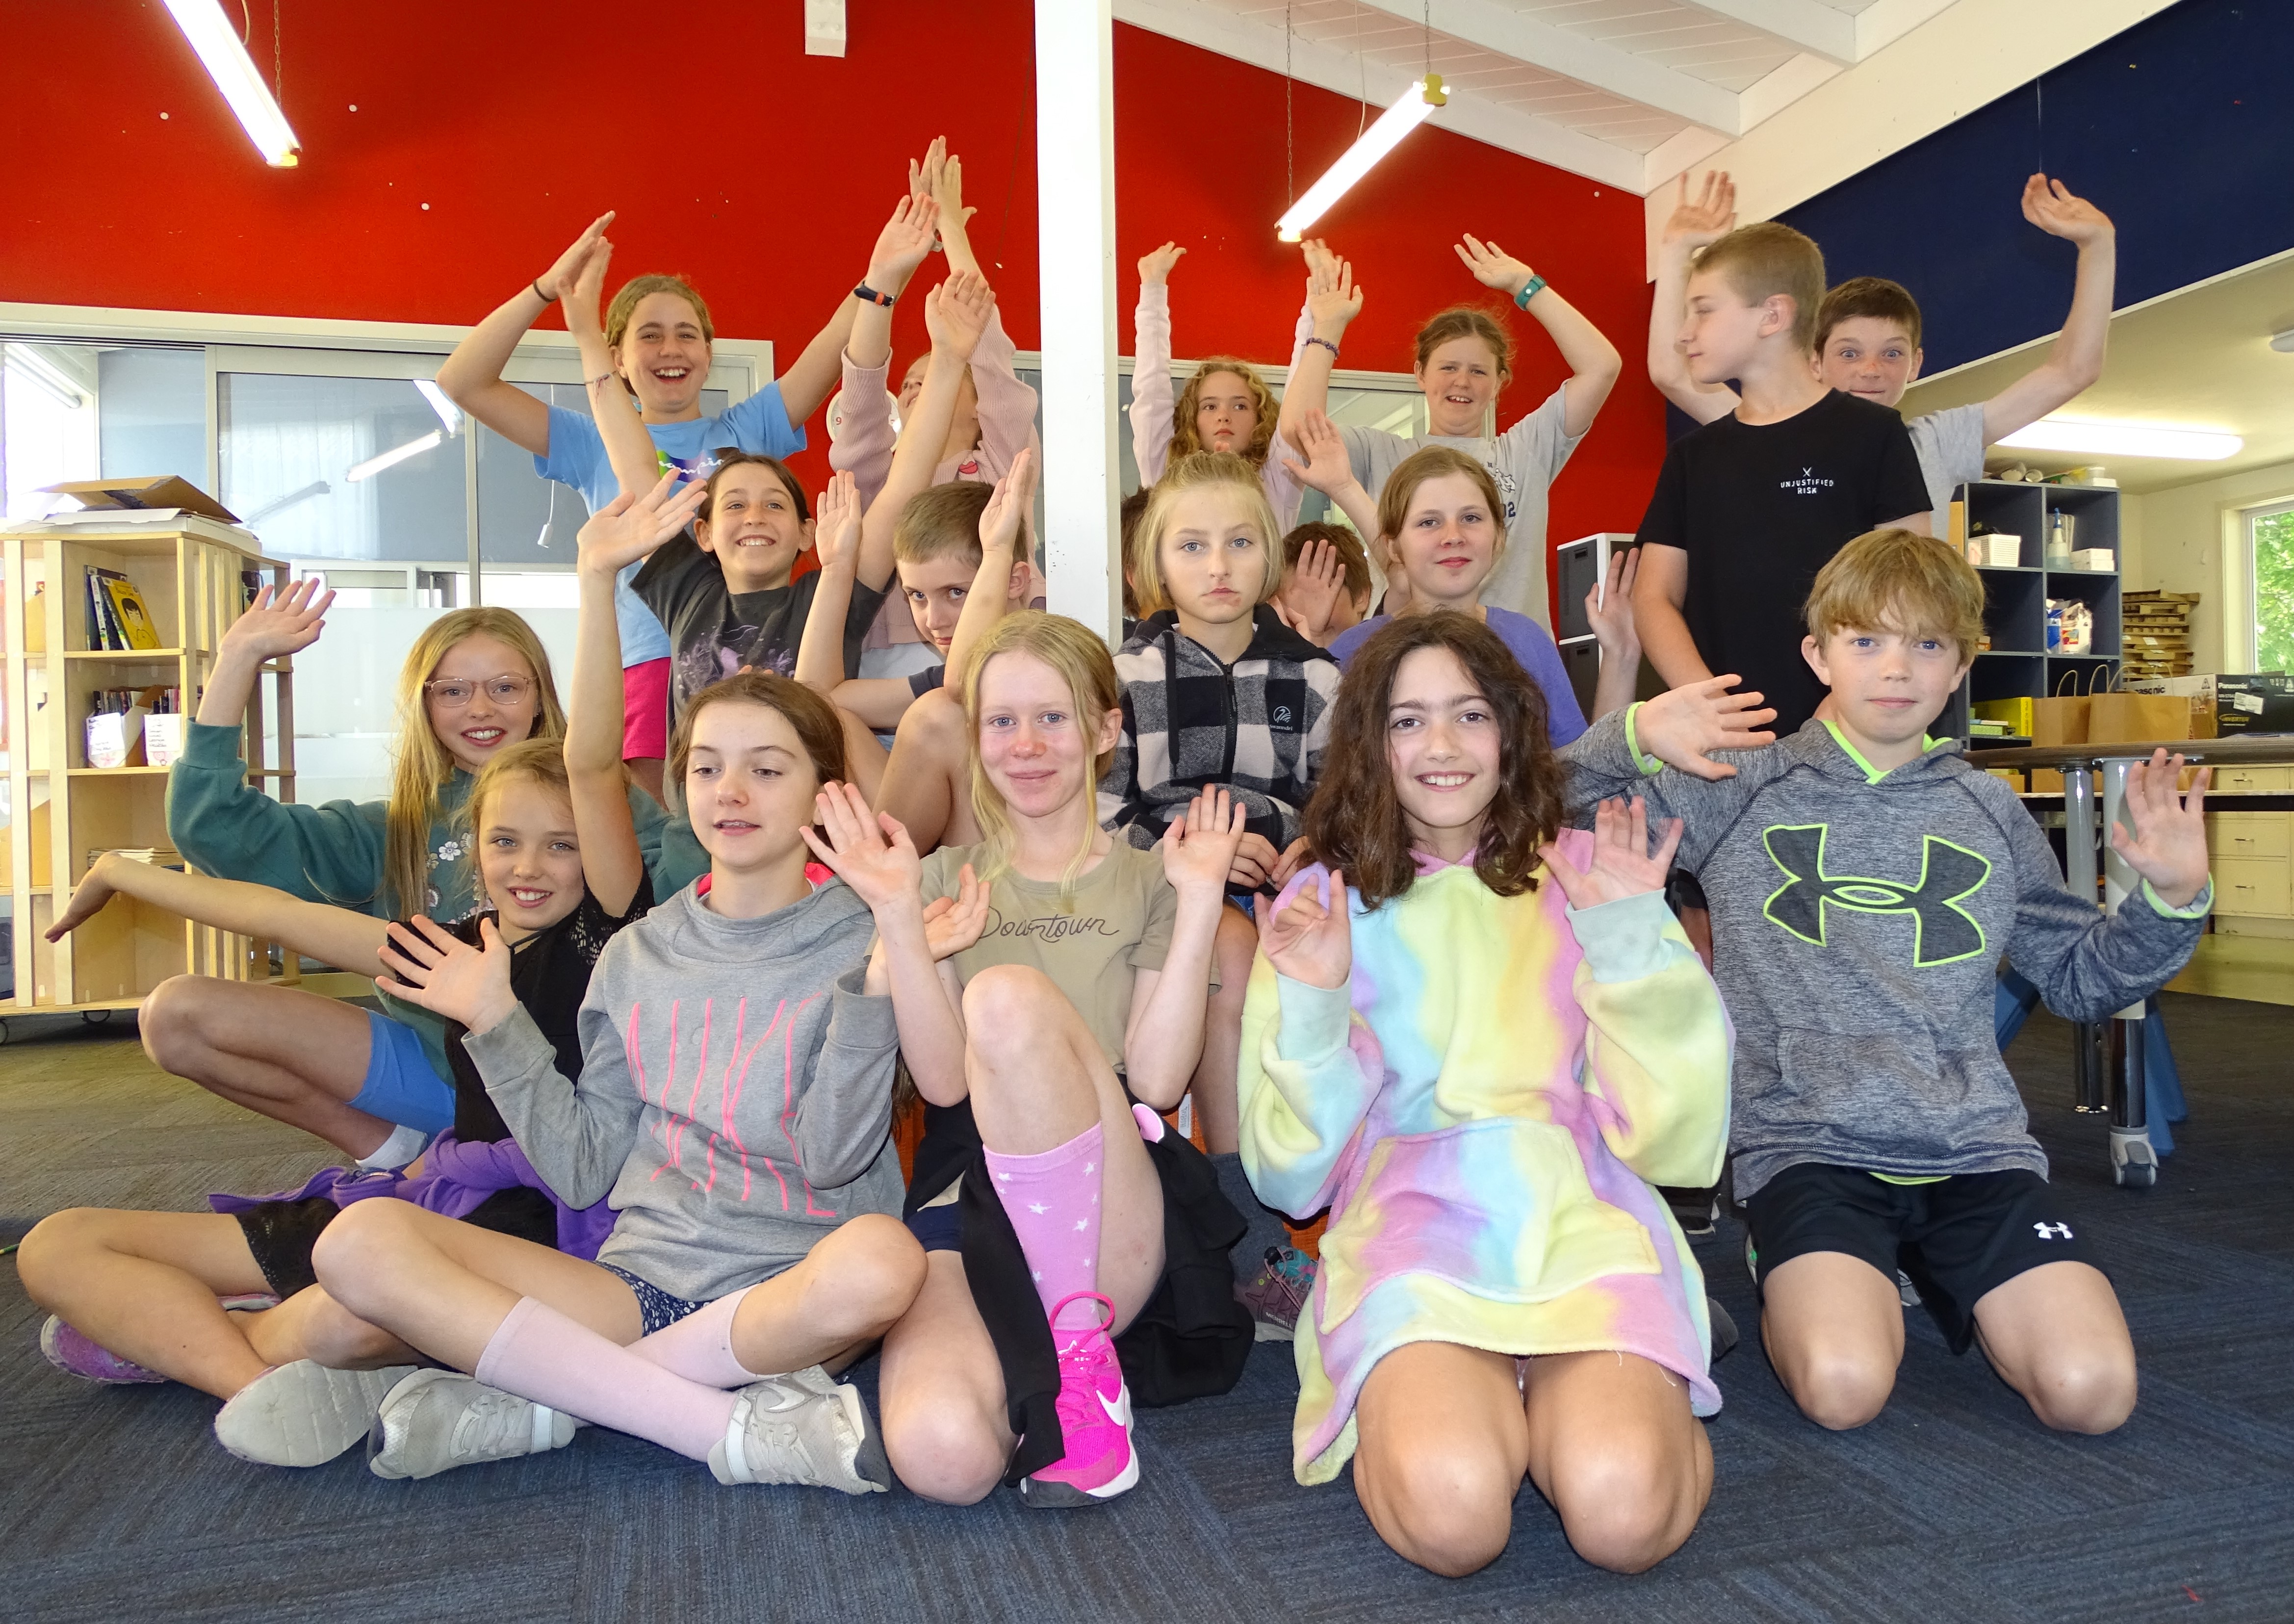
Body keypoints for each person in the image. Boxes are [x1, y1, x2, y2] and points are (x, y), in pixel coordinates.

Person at [1569, 528, 2213, 1437]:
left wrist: (2172, 901)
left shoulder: (1989, 810)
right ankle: (1786, 1255)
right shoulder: (1741, 779)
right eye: (1866, 640)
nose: (1896, 668)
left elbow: (2078, 978)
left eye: (1927, 643)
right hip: (1806, 1144)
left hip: (1971, 1147)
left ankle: (1932, 1268)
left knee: (2092, 1393)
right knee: (1844, 1387)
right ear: (1817, 655)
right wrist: (1635, 732)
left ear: (1961, 668)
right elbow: (1533, 799)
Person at [306, 662, 924, 1488]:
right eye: (706, 767)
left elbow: (834, 1160)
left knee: (885, 1259)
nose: (731, 791)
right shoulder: (637, 953)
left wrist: (874, 985)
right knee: (357, 1241)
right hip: (638, 1285)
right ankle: (721, 1428)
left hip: (793, 1294)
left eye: (768, 769)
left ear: (824, 792)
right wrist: (496, 1021)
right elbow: (584, 1168)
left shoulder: (867, 935)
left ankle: (552, 1398)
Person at [19, 716, 669, 1466]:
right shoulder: (453, 947)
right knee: (57, 1245)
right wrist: (121, 871)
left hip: (537, 1222)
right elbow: (284, 916)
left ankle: (184, 1337)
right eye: (505, 840)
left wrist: (601, 616)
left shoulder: (608, 937)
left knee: (347, 1320)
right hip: (427, 1198)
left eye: (562, 844)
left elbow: (593, 763)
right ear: (476, 845)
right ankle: (251, 1380)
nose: (530, 865)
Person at [1238, 611, 1732, 1576]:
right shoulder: (1322, 905)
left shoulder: (1593, 871)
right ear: (1370, 743)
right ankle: (1456, 1397)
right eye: (1408, 720)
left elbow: (1673, 1136)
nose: (1442, 745)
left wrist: (1634, 944)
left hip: (1579, 1223)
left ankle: (1596, 1386)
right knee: (1454, 1521)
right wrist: (1316, 1002)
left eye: (1468, 714)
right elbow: (1291, 1176)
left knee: (1623, 1517)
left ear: (1510, 729)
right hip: (1415, 1237)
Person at [816, 612, 1251, 1508]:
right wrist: (898, 918)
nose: (1025, 745)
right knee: (942, 1455)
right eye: (1002, 721)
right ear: (975, 738)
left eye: (1052, 718)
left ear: (1103, 728)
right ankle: (1042, 1371)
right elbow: (944, 1085)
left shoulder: (1156, 878)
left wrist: (1202, 898)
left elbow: (1158, 1081)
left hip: (1111, 1211)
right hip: (967, 1194)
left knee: (1006, 999)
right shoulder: (939, 878)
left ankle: (1080, 1360)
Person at [160, 596, 691, 1169]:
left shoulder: (607, 804)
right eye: (453, 690)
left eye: (506, 687)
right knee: (174, 1015)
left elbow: (684, 894)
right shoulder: (394, 827)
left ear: (540, 696)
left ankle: (461, 1165)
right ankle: (397, 1150)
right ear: (426, 703)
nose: (480, 707)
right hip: (440, 1070)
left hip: (565, 1090)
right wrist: (238, 658)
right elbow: (214, 827)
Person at [436, 195, 938, 796]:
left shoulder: (747, 433)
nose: (670, 348)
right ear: (619, 358)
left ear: (708, 352)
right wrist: (555, 298)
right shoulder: (594, 438)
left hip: (773, 635)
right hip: (657, 645)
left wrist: (881, 279)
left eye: (687, 334)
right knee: (662, 813)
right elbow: (464, 382)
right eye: (650, 336)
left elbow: (836, 346)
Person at [1103, 451, 1340, 1246]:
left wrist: (1315, 845)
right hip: (1163, 883)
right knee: (1228, 946)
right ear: (1155, 561)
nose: (1217, 565)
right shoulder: (1124, 675)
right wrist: (1184, 851)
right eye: (1192, 545)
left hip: (1284, 884)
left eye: (1240, 542)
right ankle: (1242, 1223)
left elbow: (1343, 803)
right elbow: (1103, 812)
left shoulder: (1316, 678)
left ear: (1269, 553)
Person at [608, 272, 1000, 721]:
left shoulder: (833, 591)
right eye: (734, 504)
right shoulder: (687, 594)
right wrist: (584, 334)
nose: (754, 516)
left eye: (775, 504)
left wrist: (948, 361)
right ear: (704, 533)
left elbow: (903, 486)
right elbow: (633, 465)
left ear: (805, 532)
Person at [1649, 170, 2117, 534]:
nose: (1871, 370)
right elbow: (1671, 373)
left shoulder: (1933, 442)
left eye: (1891, 354)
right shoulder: (1767, 429)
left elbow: (2071, 371)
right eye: (1849, 354)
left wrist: (2097, 246)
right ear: (1814, 361)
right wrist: (1673, 252)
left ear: (1916, 364)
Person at [1629, 220, 1933, 743]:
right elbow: (1652, 596)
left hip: (1853, 734)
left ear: (1772, 315)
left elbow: (1910, 585)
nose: (1685, 333)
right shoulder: (1692, 458)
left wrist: (1844, 703)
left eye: (1704, 310)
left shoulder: (1874, 434)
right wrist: (1710, 702)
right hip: (1730, 740)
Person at [1273, 234, 1623, 631]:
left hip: (1513, 658)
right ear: (1420, 374)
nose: (1462, 382)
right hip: (1412, 650)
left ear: (1499, 382)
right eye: (1448, 368)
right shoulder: (1380, 451)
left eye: (1478, 371)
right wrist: (1327, 330)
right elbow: (1299, 429)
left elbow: (1602, 367)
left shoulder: (1526, 450)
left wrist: (1525, 286)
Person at [1323, 446, 1639, 733]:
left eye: (1471, 518)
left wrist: (1620, 654)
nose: (1453, 536)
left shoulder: (1526, 640)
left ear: (1498, 537)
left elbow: (1578, 766)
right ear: (1393, 546)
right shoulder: (1353, 650)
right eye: (1429, 522)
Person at [798, 451, 1038, 811]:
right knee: (838, 720)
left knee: (940, 712)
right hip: (941, 841)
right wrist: (837, 569)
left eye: (955, 592)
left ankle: (881, 845)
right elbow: (818, 701)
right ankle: (883, 845)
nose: (934, 620)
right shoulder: (943, 679)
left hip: (1022, 841)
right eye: (918, 596)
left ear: (1014, 581)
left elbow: (964, 682)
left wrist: (998, 553)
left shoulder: (1042, 657)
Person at [830, 141, 1041, 505]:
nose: (912, 387)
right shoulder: (879, 482)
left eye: (926, 379)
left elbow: (986, 340)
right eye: (907, 383)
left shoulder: (1005, 467)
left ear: (980, 408)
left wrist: (951, 227)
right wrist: (882, 278)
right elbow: (862, 388)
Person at [1128, 238, 1314, 526]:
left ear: (1260, 420)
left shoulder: (1279, 480)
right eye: (1210, 406)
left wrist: (1316, 311)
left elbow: (1301, 390)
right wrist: (1152, 289)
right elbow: (1150, 392)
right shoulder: (1166, 475)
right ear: (1192, 419)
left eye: (1240, 406)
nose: (1224, 416)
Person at [1269, 521, 1372, 648]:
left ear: (1361, 597)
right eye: (1290, 597)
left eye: (1316, 594)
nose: (1305, 614)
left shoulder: (1378, 650)